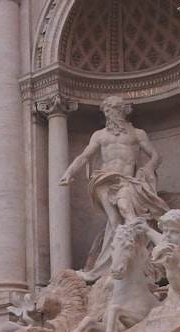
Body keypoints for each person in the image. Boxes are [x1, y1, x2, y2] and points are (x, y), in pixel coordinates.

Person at [59, 96, 168, 282]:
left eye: (116, 109)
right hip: (104, 179)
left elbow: (156, 155)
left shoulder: (136, 133)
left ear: (124, 111)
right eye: (109, 110)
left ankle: (132, 261)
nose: (112, 113)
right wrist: (69, 173)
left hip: (127, 181)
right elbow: (84, 157)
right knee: (115, 218)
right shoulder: (100, 135)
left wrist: (148, 168)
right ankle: (106, 268)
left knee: (124, 214)